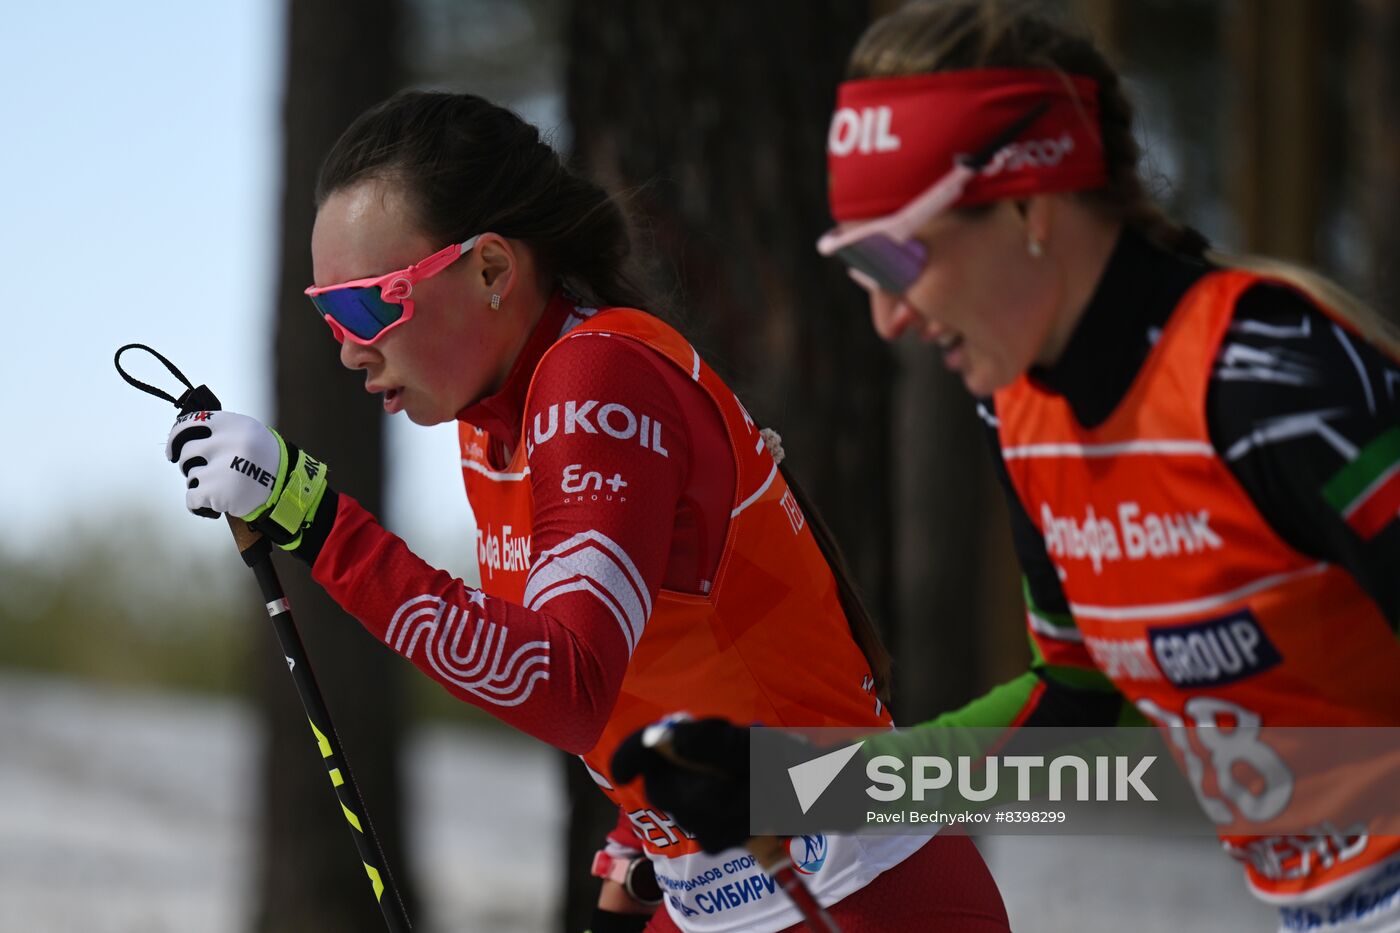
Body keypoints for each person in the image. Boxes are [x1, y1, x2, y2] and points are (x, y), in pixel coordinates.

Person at [612, 2, 1400, 931]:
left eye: (899, 254)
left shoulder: (1268, 380)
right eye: (860, 270)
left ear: (1030, 205)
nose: (889, 317)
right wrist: (795, 788)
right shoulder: (1024, 413)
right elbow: (1068, 706)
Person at [160, 90, 1010, 932]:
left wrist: (314, 520)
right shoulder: (499, 423)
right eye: (326, 311)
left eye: (368, 303)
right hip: (729, 888)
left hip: (860, 889)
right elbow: (650, 685)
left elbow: (565, 683)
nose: (349, 346)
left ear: (492, 268)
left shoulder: (595, 381)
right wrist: (626, 875)